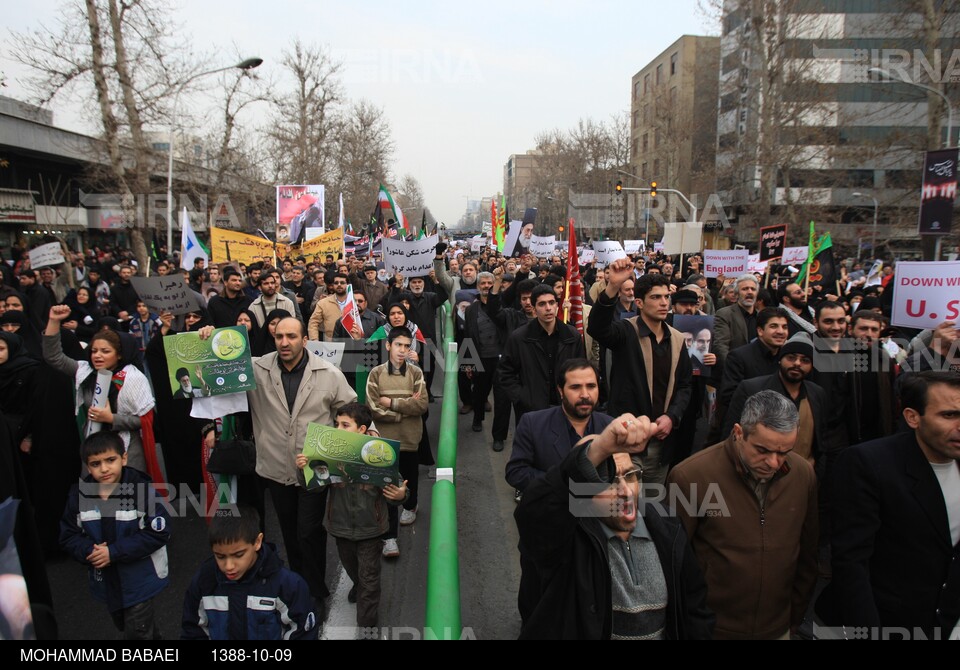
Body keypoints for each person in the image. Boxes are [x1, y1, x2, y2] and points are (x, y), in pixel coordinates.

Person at [515, 412, 714, 639]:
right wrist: (598, 449)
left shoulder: (668, 528)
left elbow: (695, 609)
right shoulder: (566, 540)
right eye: (607, 482)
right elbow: (533, 516)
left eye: (630, 476)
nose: (625, 492)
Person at [201, 316, 356, 605]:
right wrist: (210, 337)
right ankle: (299, 584)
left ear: (304, 340)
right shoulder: (256, 369)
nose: (284, 342)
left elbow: (350, 412)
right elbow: (217, 374)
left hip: (313, 469)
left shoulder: (329, 373)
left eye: (291, 336)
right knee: (289, 531)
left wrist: (337, 447)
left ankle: (314, 590)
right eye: (279, 337)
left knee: (308, 530)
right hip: (274, 468)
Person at [817, 371, 960, 638]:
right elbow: (852, 564)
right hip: (890, 623)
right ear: (912, 417)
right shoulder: (868, 464)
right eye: (949, 415)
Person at [667, 391, 819, 639]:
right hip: (711, 630)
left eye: (784, 452)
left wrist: (793, 620)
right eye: (763, 450)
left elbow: (808, 556)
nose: (773, 462)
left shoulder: (803, 476)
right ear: (738, 433)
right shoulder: (691, 477)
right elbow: (674, 564)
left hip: (778, 628)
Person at [505, 359, 614, 623]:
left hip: (596, 537)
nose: (585, 394)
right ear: (560, 391)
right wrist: (563, 487)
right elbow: (516, 471)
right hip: (546, 536)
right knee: (539, 608)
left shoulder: (610, 427)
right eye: (576, 387)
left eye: (591, 386)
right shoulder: (533, 423)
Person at [296, 403, 408, 635]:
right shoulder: (330, 453)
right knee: (352, 568)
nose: (338, 428)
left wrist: (400, 494)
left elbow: (396, 488)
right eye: (336, 424)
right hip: (341, 529)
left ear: (362, 430)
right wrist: (304, 469)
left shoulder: (378, 453)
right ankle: (357, 583)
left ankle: (367, 627)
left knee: (369, 580)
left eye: (345, 425)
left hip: (371, 531)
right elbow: (314, 488)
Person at [587, 259, 692, 485]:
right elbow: (597, 328)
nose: (664, 303)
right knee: (625, 506)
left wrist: (672, 417)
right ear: (639, 303)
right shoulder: (626, 331)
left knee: (653, 508)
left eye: (666, 297)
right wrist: (613, 286)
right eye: (655, 297)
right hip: (627, 439)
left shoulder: (677, 339)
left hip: (661, 443)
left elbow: (684, 385)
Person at [60, 431, 170, 640]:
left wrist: (113, 552)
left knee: (137, 631)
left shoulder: (141, 491)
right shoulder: (79, 495)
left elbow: (159, 531)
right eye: (95, 463)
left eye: (110, 460)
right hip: (107, 581)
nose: (104, 469)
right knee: (133, 626)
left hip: (140, 579)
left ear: (124, 458)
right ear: (87, 465)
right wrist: (90, 551)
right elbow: (68, 535)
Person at [44, 305, 156, 474]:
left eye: (105, 351)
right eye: (94, 351)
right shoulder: (85, 371)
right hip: (94, 445)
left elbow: (144, 421)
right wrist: (53, 320)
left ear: (119, 354)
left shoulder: (133, 379)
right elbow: (54, 357)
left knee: (127, 497)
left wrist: (111, 418)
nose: (97, 356)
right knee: (98, 497)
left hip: (127, 450)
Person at [180, 505, 317, 640]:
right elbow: (192, 631)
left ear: (257, 542)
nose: (229, 566)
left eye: (238, 555)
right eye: (220, 556)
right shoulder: (204, 582)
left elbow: (302, 633)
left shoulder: (287, 585)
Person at [365, 328, 428, 558]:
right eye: (398, 345)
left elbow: (421, 405)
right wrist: (403, 409)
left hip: (410, 440)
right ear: (388, 346)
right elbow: (373, 408)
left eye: (407, 346)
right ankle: (389, 537)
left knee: (411, 479)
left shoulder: (416, 374)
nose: (403, 350)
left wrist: (391, 403)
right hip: (385, 443)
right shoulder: (376, 374)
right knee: (388, 489)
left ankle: (411, 506)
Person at [722, 332, 827, 464]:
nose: (797, 364)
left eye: (805, 360)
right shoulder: (751, 389)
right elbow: (730, 436)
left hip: (802, 476)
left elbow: (821, 441)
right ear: (780, 359)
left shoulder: (817, 394)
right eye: (791, 357)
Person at [499, 285, 585, 423]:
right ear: (534, 308)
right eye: (542, 304)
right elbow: (505, 373)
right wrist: (522, 397)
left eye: (551, 303)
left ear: (557, 305)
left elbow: (581, 370)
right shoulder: (519, 338)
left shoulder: (571, 335)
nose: (548, 308)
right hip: (532, 411)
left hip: (565, 407)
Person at [712, 273, 760, 373]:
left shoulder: (762, 317)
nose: (749, 292)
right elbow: (721, 346)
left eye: (753, 289)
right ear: (737, 293)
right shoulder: (724, 314)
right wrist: (733, 369)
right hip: (734, 372)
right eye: (745, 289)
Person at [308, 273, 350, 341]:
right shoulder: (323, 303)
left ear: (348, 285)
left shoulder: (355, 301)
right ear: (333, 285)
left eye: (342, 283)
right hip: (330, 343)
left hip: (352, 342)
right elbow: (313, 322)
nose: (339, 285)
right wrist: (314, 340)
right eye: (336, 283)